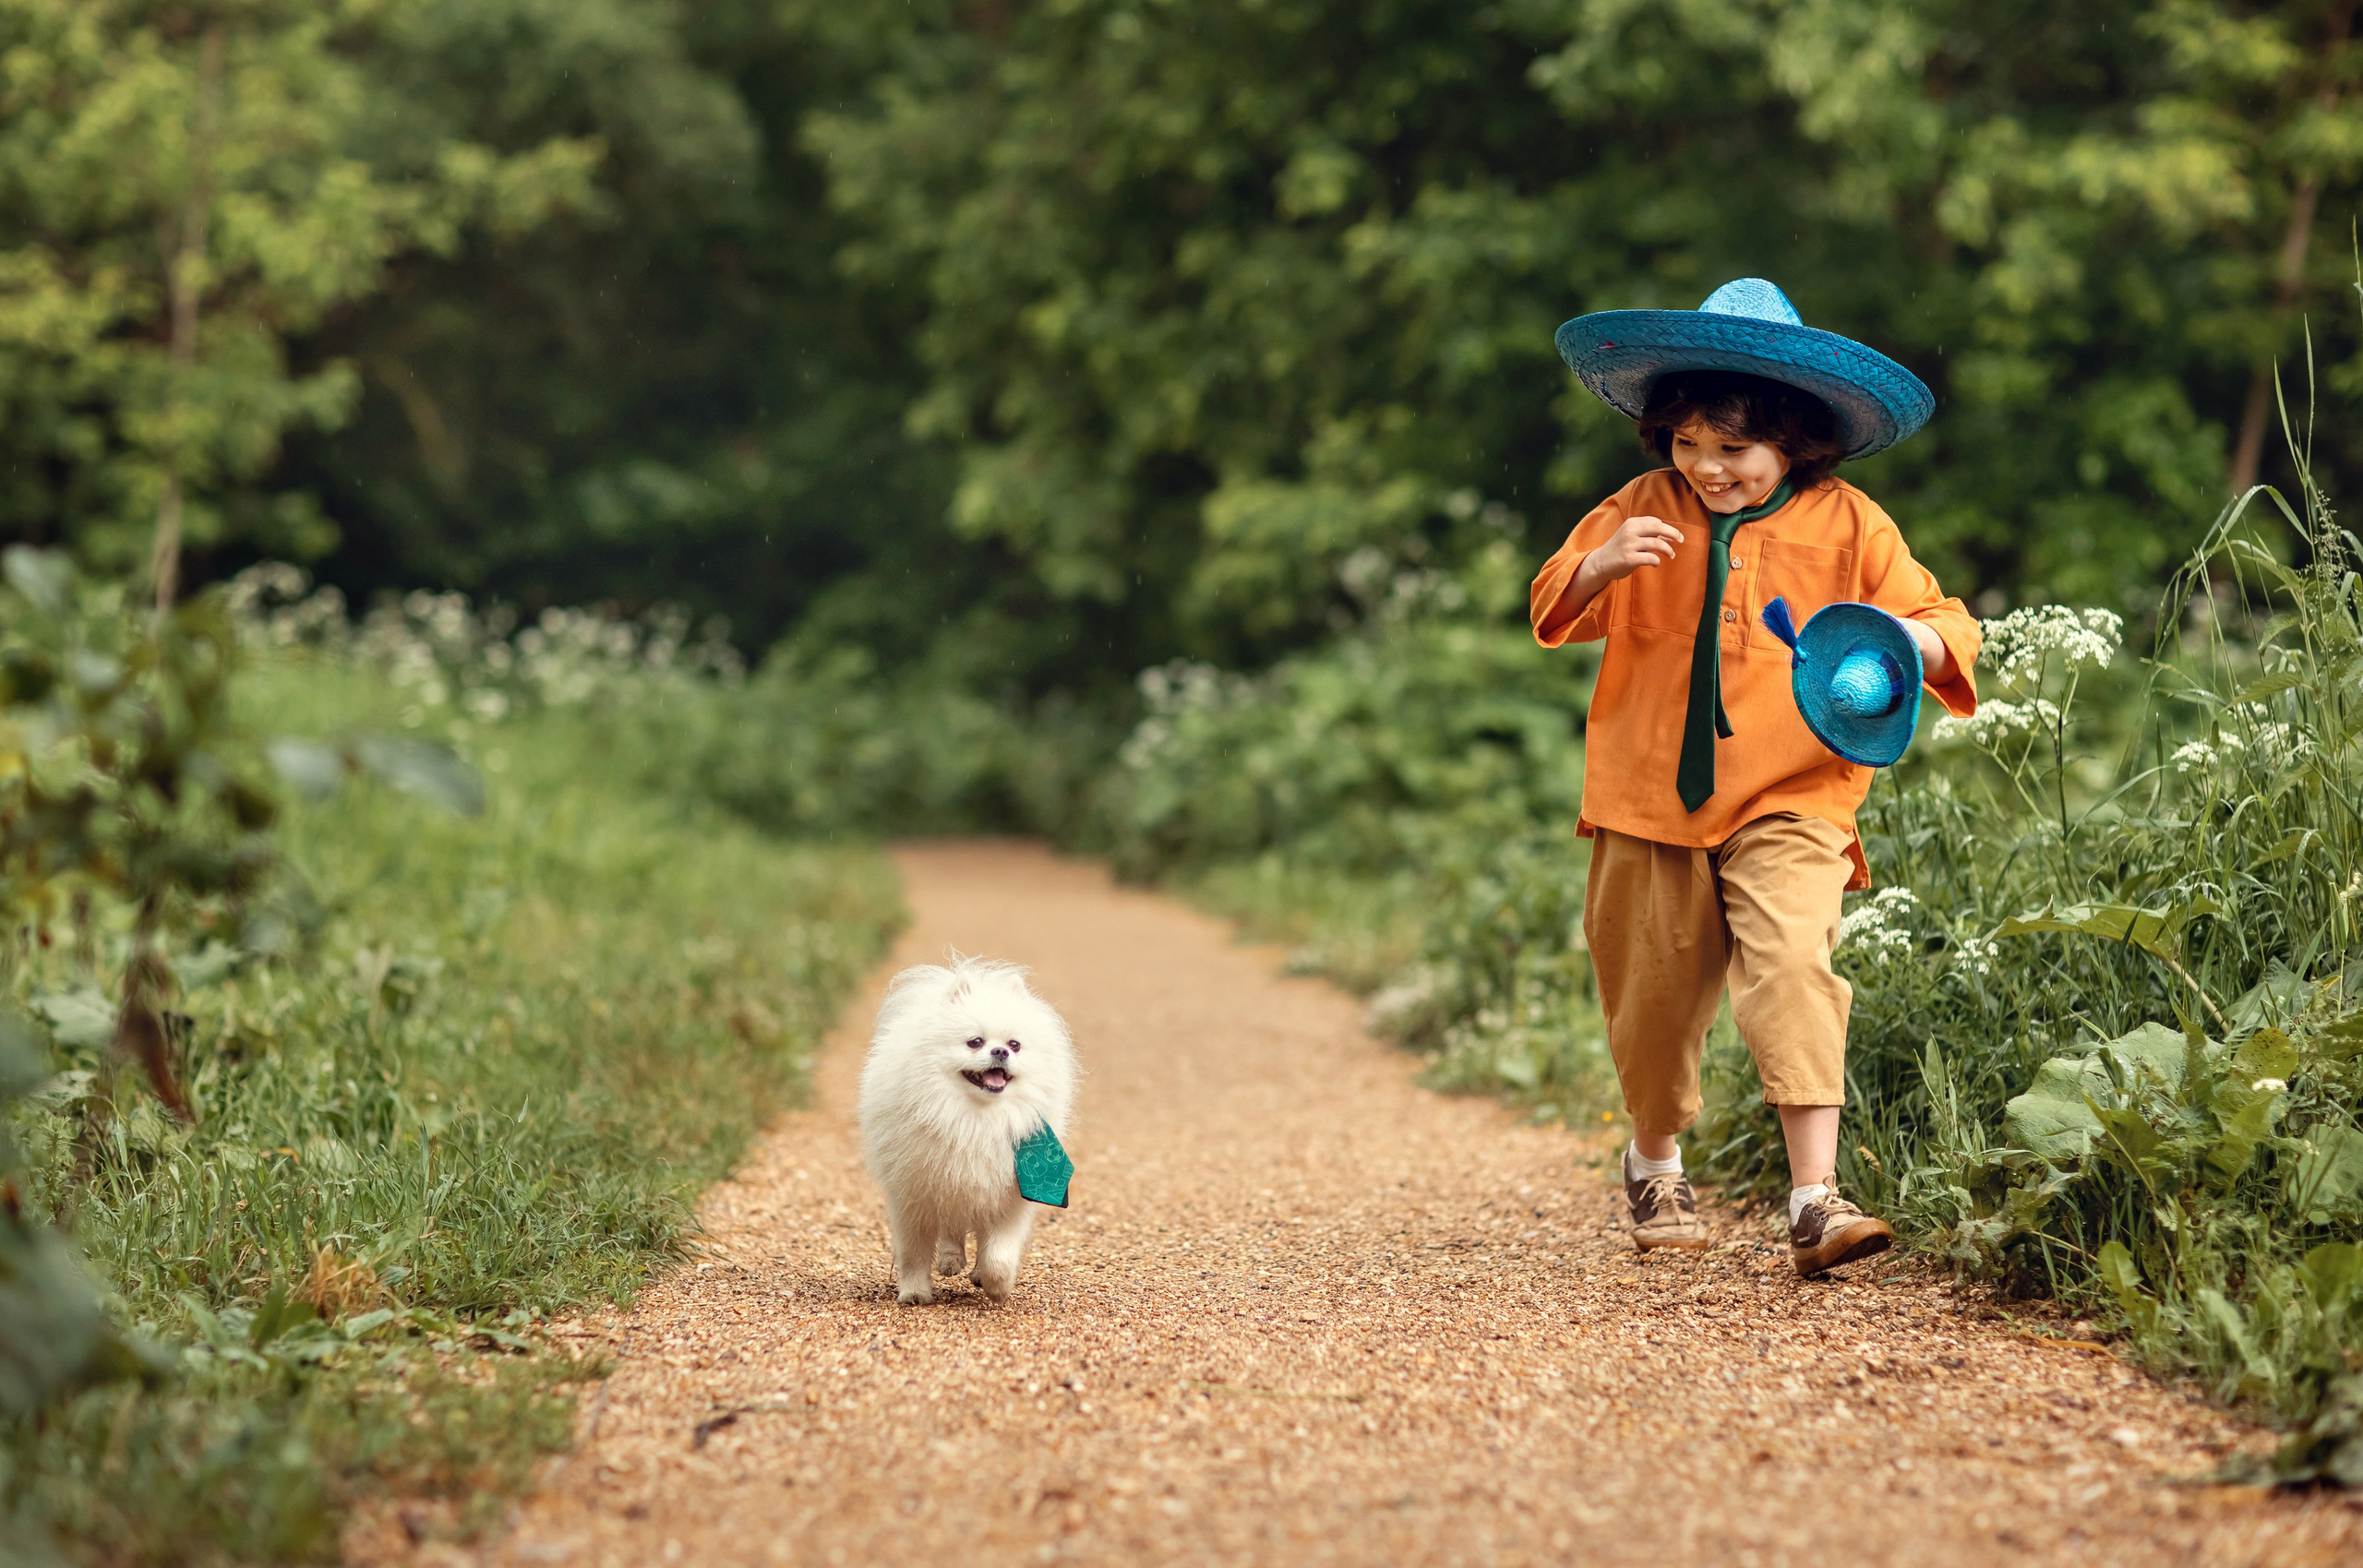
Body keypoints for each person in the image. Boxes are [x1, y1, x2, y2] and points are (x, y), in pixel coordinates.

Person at [1530, 279, 1981, 1275]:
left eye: (1731, 449)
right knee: (1649, 999)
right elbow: (1550, 604)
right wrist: (1601, 565)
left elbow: (1952, 629)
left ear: (1794, 441)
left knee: (1791, 967)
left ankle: (1815, 1197)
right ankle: (1652, 1159)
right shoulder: (1641, 507)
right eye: (1687, 444)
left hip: (1794, 795)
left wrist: (1903, 640)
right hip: (1648, 797)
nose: (1706, 468)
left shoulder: (1851, 525)